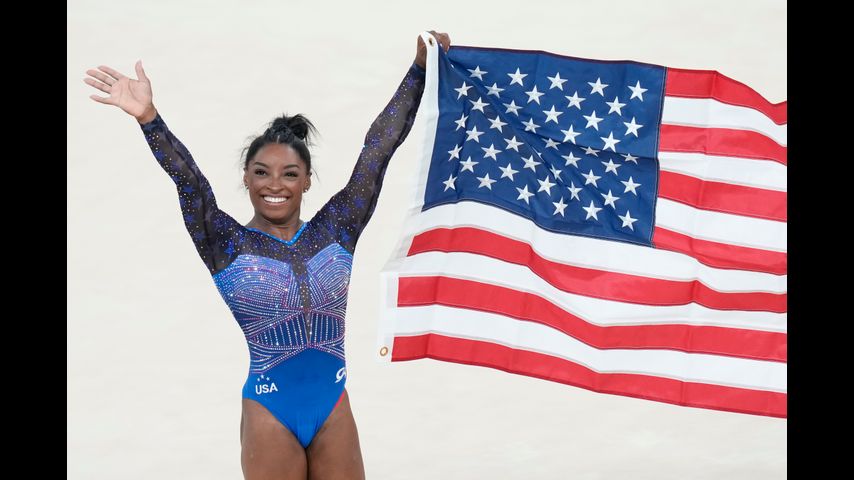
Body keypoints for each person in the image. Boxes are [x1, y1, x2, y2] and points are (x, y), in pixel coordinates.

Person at [84, 31, 451, 480]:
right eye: (262, 173)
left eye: (289, 174)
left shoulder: (338, 227)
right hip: (270, 410)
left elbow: (378, 151)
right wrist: (148, 118)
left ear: (307, 181)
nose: (274, 185)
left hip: (334, 405)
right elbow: (188, 181)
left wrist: (417, 72)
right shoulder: (224, 243)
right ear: (246, 177)